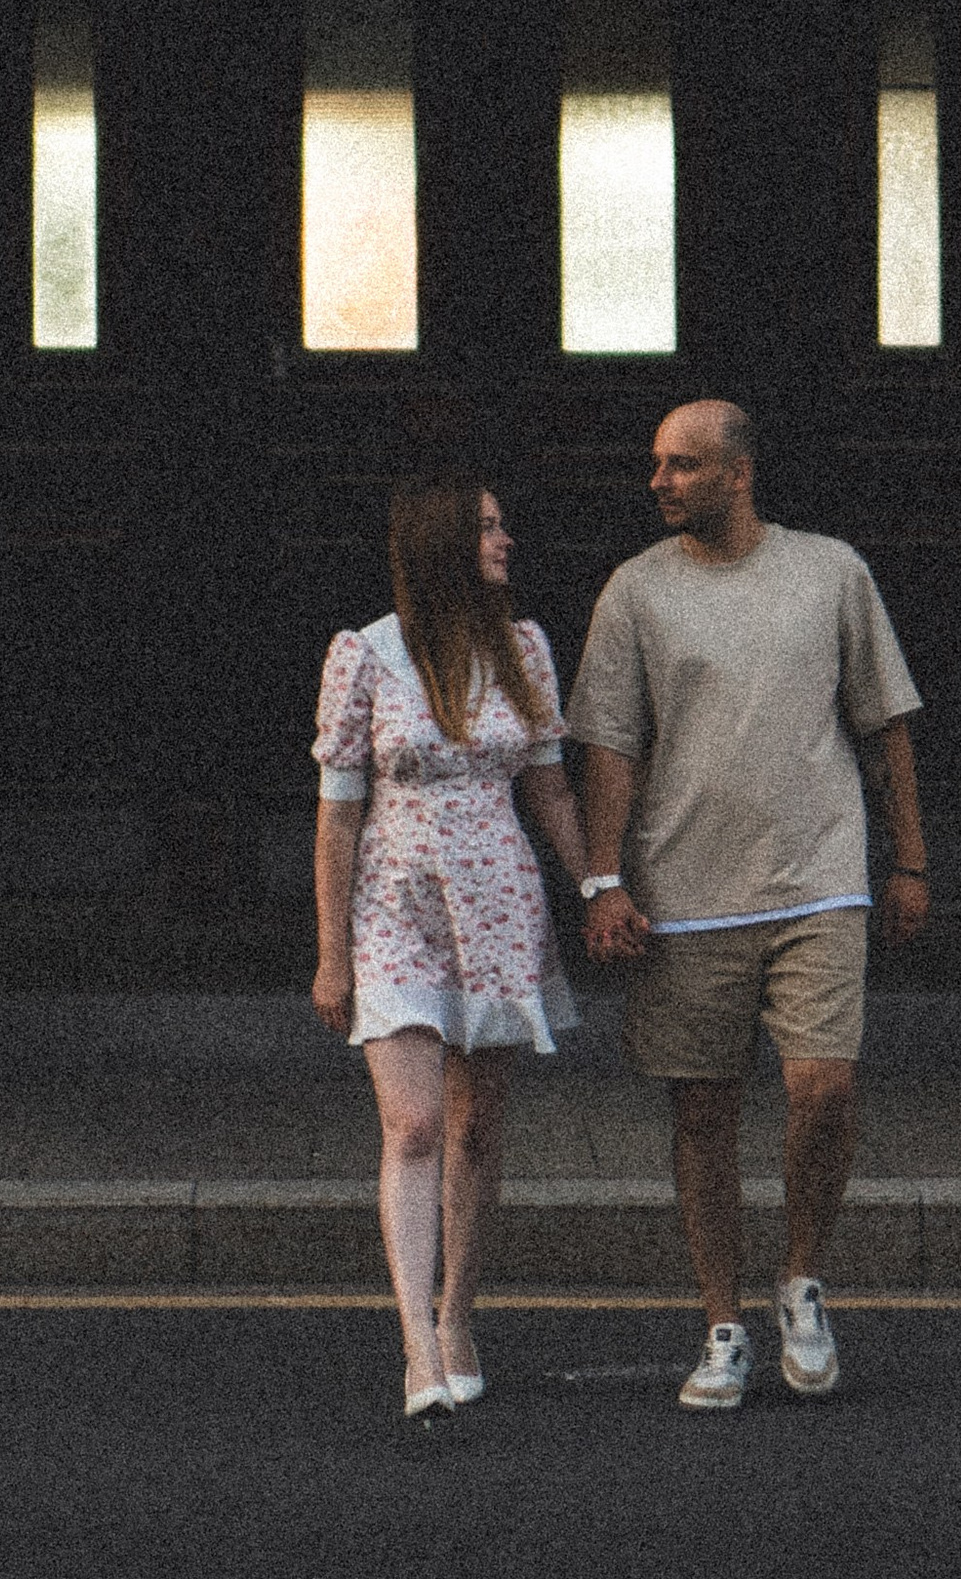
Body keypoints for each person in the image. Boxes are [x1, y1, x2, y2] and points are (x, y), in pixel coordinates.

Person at [568, 396, 928, 1412]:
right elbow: (609, 747)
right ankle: (723, 1323)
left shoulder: (831, 572)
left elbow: (885, 723)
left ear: (739, 473)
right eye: (657, 463)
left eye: (682, 465)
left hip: (819, 878)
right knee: (703, 1114)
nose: (660, 481)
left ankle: (801, 1280)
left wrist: (910, 861)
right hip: (685, 891)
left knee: (825, 1089)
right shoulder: (636, 590)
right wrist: (602, 880)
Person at [312, 473, 589, 1428]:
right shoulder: (366, 654)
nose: (506, 540)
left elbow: (549, 787)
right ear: (441, 545)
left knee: (475, 1127)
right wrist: (332, 953)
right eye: (487, 528)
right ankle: (417, 1346)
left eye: (503, 524)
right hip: (394, 909)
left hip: (498, 905)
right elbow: (338, 815)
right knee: (416, 1125)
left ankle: (458, 1317)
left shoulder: (524, 649)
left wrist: (596, 883)